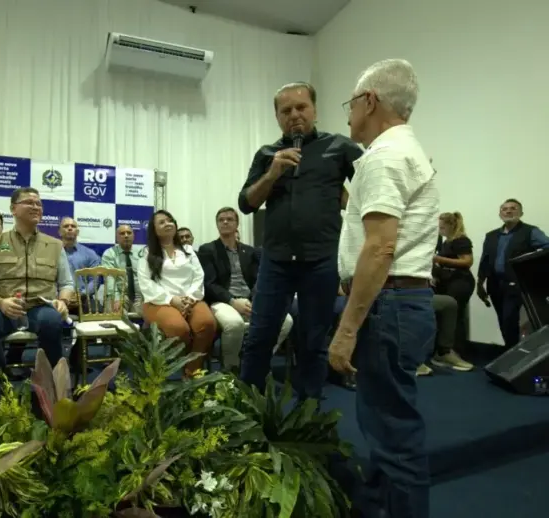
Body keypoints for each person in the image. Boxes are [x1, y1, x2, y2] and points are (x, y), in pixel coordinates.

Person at [329, 59, 438, 518]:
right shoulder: (404, 150)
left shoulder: (385, 155)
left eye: (350, 103)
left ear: (369, 100)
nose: (348, 113)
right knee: (385, 423)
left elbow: (379, 248)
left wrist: (347, 329)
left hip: (386, 302)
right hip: (400, 301)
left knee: (394, 435)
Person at [237, 80, 363, 398]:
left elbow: (370, 191)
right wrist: (272, 173)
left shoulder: (340, 148)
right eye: (286, 110)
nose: (294, 115)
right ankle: (246, 413)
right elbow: (246, 203)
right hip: (276, 261)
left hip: (321, 261)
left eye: (301, 107)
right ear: (277, 117)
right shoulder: (267, 154)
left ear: (315, 110)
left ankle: (308, 420)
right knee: (260, 336)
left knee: (313, 340)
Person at [0, 187, 73, 405]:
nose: (36, 207)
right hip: (4, 306)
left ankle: (49, 391)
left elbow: (67, 283)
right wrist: (1, 303)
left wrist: (63, 301)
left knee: (52, 322)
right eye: (29, 202)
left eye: (39, 203)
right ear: (13, 209)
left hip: (40, 305)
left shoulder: (55, 245)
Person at [198, 207, 292, 370]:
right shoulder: (208, 250)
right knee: (234, 324)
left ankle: (257, 359)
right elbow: (210, 283)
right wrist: (232, 301)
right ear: (217, 225)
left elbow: (260, 279)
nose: (225, 222)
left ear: (237, 224)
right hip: (223, 301)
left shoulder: (250, 251)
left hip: (250, 300)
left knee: (286, 320)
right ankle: (231, 368)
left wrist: (255, 300)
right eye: (221, 220)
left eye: (229, 219)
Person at [138, 210, 216, 376]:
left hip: (190, 299)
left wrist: (189, 298)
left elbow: (199, 275)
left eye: (170, 220)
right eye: (162, 222)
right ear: (154, 230)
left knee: (207, 323)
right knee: (179, 329)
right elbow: (146, 284)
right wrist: (172, 299)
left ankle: (192, 371)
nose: (168, 224)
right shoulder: (147, 254)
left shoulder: (188, 250)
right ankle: (184, 367)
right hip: (158, 301)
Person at [477, 199, 549, 348]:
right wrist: (479, 284)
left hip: (517, 284)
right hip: (495, 285)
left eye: (513, 208)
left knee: (510, 321)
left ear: (521, 213)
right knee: (503, 322)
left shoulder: (530, 232)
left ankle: (516, 357)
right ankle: (509, 353)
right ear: (500, 213)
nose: (508, 211)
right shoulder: (491, 236)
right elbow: (484, 261)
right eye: (504, 209)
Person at [431, 212, 474, 371]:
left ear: (451, 225)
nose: (439, 230)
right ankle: (445, 351)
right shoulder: (446, 242)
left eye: (442, 227)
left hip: (460, 282)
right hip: (448, 282)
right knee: (449, 315)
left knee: (455, 316)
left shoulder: (461, 240)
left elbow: (467, 261)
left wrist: (438, 259)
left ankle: (454, 352)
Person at [59, 217, 100, 312]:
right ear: (60, 232)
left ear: (77, 232)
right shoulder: (52, 252)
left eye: (73, 226)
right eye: (66, 226)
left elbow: (95, 281)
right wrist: (63, 296)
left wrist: (81, 294)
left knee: (97, 312)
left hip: (84, 299)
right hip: (58, 298)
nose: (70, 228)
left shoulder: (90, 254)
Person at [100, 224, 142, 313]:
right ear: (117, 238)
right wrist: (116, 298)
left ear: (133, 236)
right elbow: (109, 278)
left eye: (129, 233)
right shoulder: (109, 254)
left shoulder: (142, 253)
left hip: (140, 296)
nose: (126, 235)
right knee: (113, 311)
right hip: (120, 294)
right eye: (122, 233)